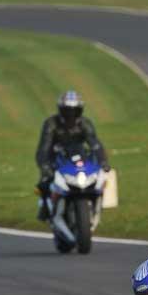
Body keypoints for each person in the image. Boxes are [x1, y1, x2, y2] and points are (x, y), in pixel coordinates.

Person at [35, 91, 110, 220]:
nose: (71, 114)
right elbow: (43, 149)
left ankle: (96, 205)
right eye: (67, 110)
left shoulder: (85, 123)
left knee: (100, 179)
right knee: (44, 183)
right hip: (57, 158)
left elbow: (95, 144)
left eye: (74, 110)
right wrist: (45, 167)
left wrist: (103, 161)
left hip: (79, 158)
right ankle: (46, 208)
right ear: (61, 110)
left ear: (80, 110)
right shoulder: (51, 124)